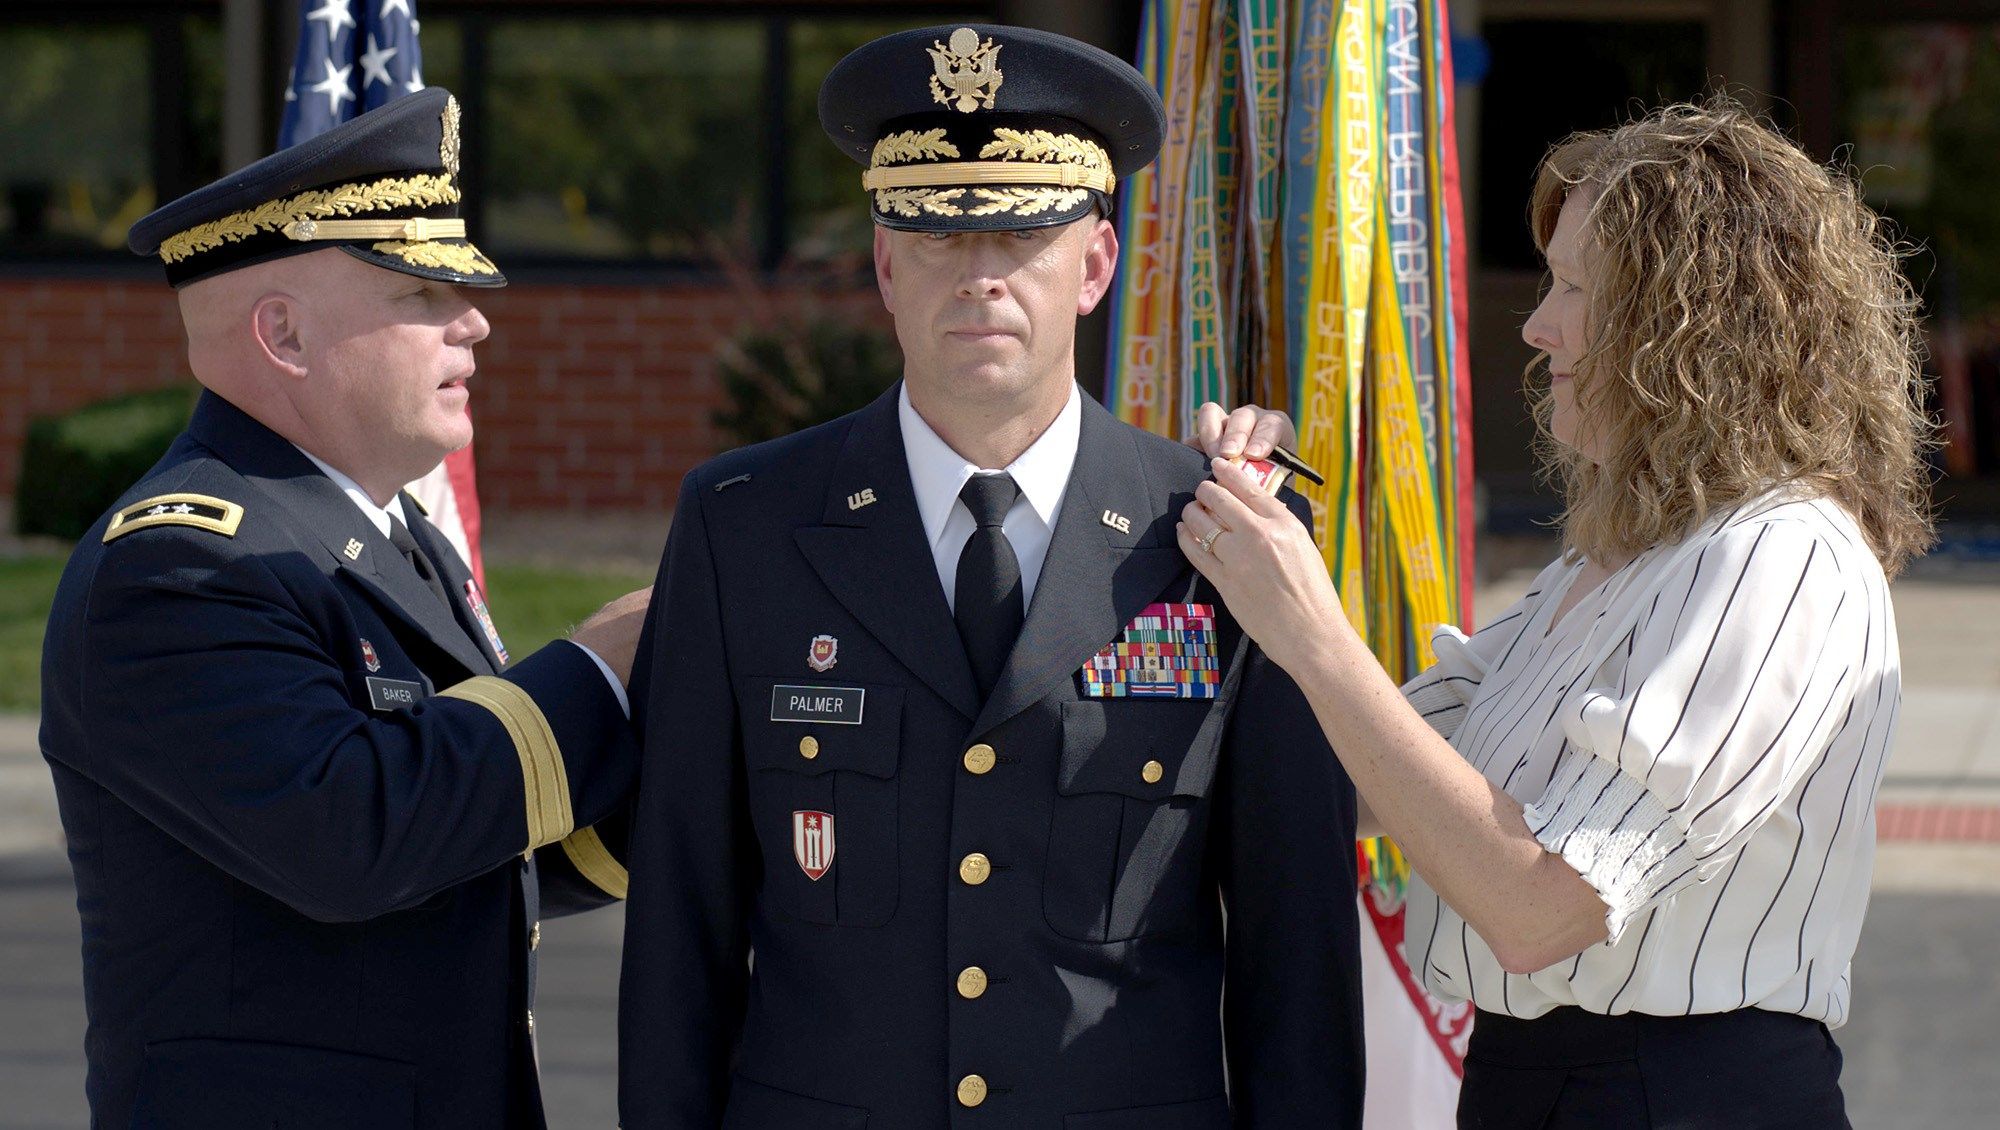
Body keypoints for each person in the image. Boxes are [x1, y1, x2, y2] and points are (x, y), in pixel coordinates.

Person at [616, 24, 1364, 1129]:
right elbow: (680, 924)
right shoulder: (746, 527)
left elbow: (1295, 954)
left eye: (1018, 233)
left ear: (1095, 265)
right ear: (881, 264)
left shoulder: (1220, 537)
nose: (976, 277)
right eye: (929, 236)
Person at [1179, 101, 1933, 1128]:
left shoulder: (1782, 556)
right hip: (1541, 1086)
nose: (1536, 325)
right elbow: (1358, 784)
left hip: (1676, 1096)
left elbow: (1538, 908)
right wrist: (1244, 540)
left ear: (1693, 319)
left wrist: (1307, 624)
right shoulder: (1616, 561)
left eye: (1577, 286)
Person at [41, 88, 647, 1129]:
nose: (476, 320)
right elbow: (352, 834)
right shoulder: (182, 566)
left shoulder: (376, 539)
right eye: (420, 292)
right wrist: (596, 672)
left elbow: (477, 843)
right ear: (282, 332)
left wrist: (677, 765)